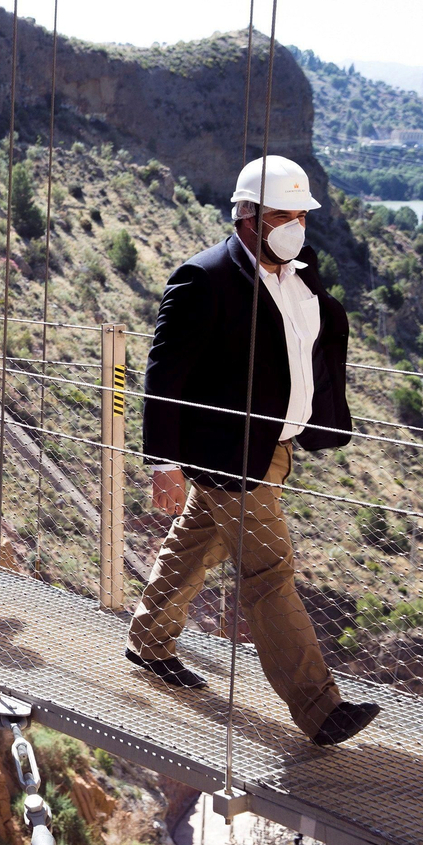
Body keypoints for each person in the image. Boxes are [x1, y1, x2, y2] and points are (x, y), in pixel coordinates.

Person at [130, 155, 378, 747]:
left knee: (197, 543)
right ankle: (320, 709)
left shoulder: (301, 273)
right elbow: (163, 377)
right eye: (282, 215)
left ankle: (149, 640)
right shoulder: (204, 278)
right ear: (247, 215)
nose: (296, 225)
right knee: (270, 573)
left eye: (301, 215)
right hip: (228, 454)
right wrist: (163, 464)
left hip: (277, 447)